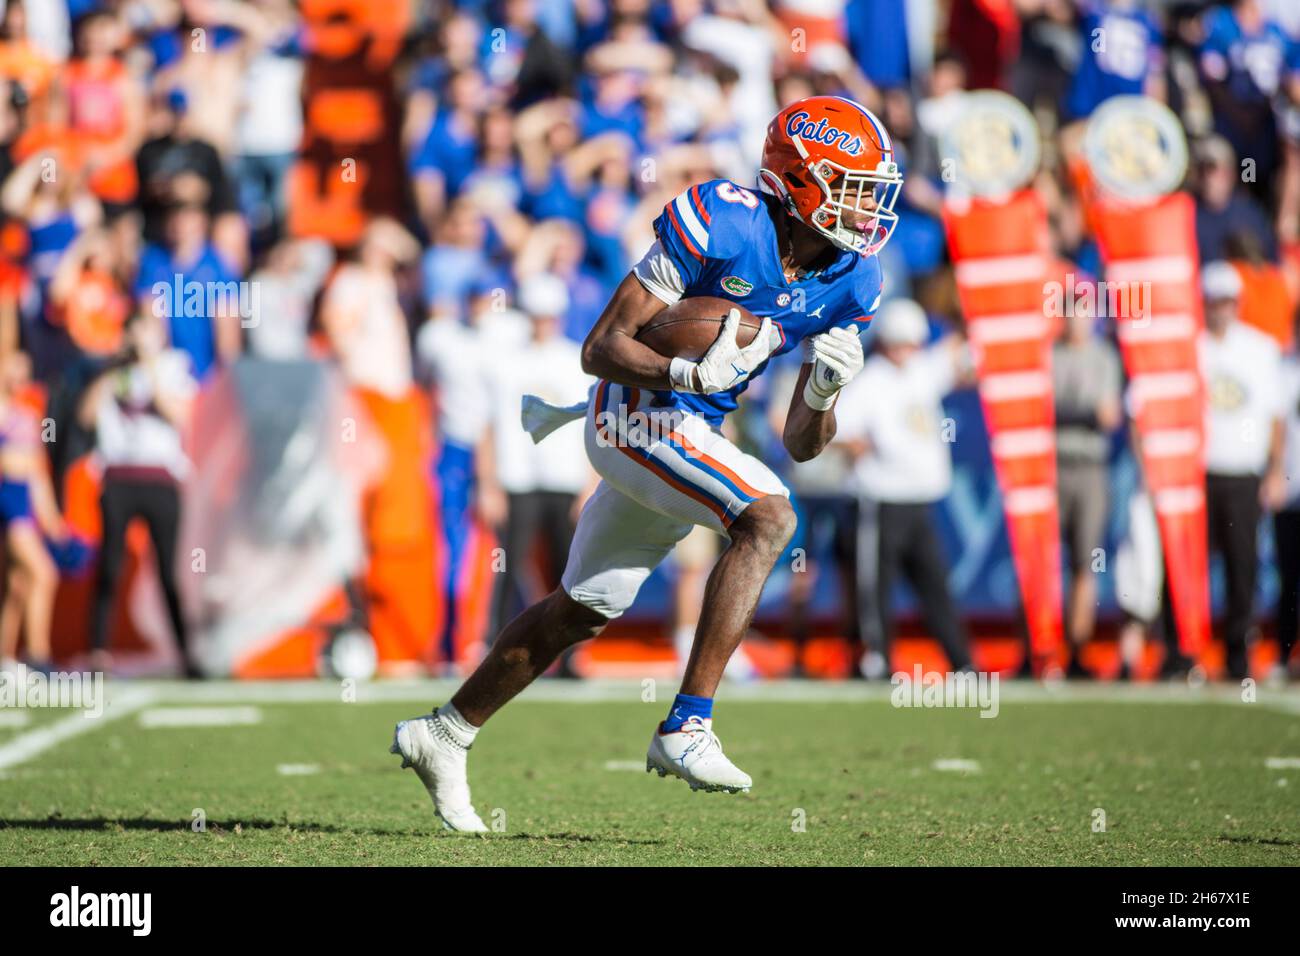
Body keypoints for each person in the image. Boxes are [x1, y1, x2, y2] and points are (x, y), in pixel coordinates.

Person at [389, 96, 901, 830]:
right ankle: (686, 725)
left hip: (694, 431)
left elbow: (801, 443)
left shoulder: (855, 278)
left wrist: (825, 389)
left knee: (582, 608)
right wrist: (687, 376)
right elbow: (599, 348)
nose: (866, 210)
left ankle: (444, 733)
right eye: (852, 189)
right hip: (635, 411)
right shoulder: (724, 218)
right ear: (800, 182)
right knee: (769, 516)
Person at [834, 298, 974, 678]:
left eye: (910, 342)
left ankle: (961, 662)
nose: (904, 350)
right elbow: (839, 430)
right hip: (881, 500)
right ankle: (876, 659)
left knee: (935, 586)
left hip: (919, 502)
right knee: (875, 587)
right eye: (899, 342)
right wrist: (857, 446)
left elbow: (960, 354)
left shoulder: (921, 371)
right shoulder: (870, 381)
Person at [78, 310, 197, 676]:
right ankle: (98, 652)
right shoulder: (111, 371)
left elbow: (177, 415)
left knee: (168, 571)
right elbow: (85, 417)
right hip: (117, 478)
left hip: (160, 479)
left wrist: (149, 366)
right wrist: (114, 369)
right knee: (109, 566)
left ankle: (186, 654)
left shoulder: (175, 366)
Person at [1199, 261, 1288, 680]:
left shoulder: (1259, 349)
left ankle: (1237, 658)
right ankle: (1184, 654)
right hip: (1198, 472)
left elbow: (1275, 416)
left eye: (1228, 302)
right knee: (1189, 568)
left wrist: (1274, 470)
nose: (1221, 310)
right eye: (1214, 302)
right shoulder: (1191, 347)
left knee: (1242, 568)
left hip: (1241, 471)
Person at [1053, 301, 1122, 677]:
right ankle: (1041, 648)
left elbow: (1108, 416)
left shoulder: (1103, 357)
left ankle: (1075, 650)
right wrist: (1085, 413)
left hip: (1090, 467)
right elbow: (1041, 411)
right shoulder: (1049, 355)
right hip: (1052, 467)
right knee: (1042, 561)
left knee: (1085, 562)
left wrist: (1069, 413)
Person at [0, 350, 66, 673]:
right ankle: (39, 657)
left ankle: (5, 660)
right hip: (7, 502)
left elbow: (36, 471)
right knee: (44, 574)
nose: (19, 380)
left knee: (17, 584)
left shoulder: (28, 415)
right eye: (13, 370)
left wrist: (51, 515)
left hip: (23, 501)